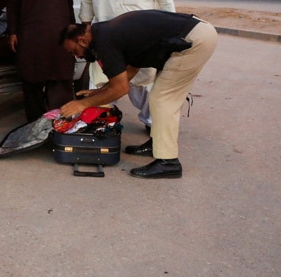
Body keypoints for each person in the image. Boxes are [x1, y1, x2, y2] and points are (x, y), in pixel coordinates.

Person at [59, 10, 217, 179]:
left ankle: (168, 162)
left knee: (162, 99)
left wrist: (82, 104)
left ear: (82, 40)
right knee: (161, 98)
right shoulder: (103, 33)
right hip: (192, 34)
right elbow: (130, 70)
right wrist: (100, 91)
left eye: (74, 51)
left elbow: (120, 89)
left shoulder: (104, 42)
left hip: (193, 40)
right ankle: (158, 145)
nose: (77, 56)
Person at [79, 0, 175, 146]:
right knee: (102, 82)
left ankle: (153, 124)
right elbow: (86, 1)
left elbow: (165, 3)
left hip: (141, 42)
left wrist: (168, 35)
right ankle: (101, 123)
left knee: (145, 84)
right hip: (105, 42)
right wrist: (86, 27)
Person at [6, 0, 76, 122]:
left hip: (60, 34)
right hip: (31, 35)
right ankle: (36, 126)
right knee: (32, 80)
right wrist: (12, 32)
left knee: (61, 80)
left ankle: (60, 125)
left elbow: (67, 0)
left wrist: (72, 31)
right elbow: (13, 3)